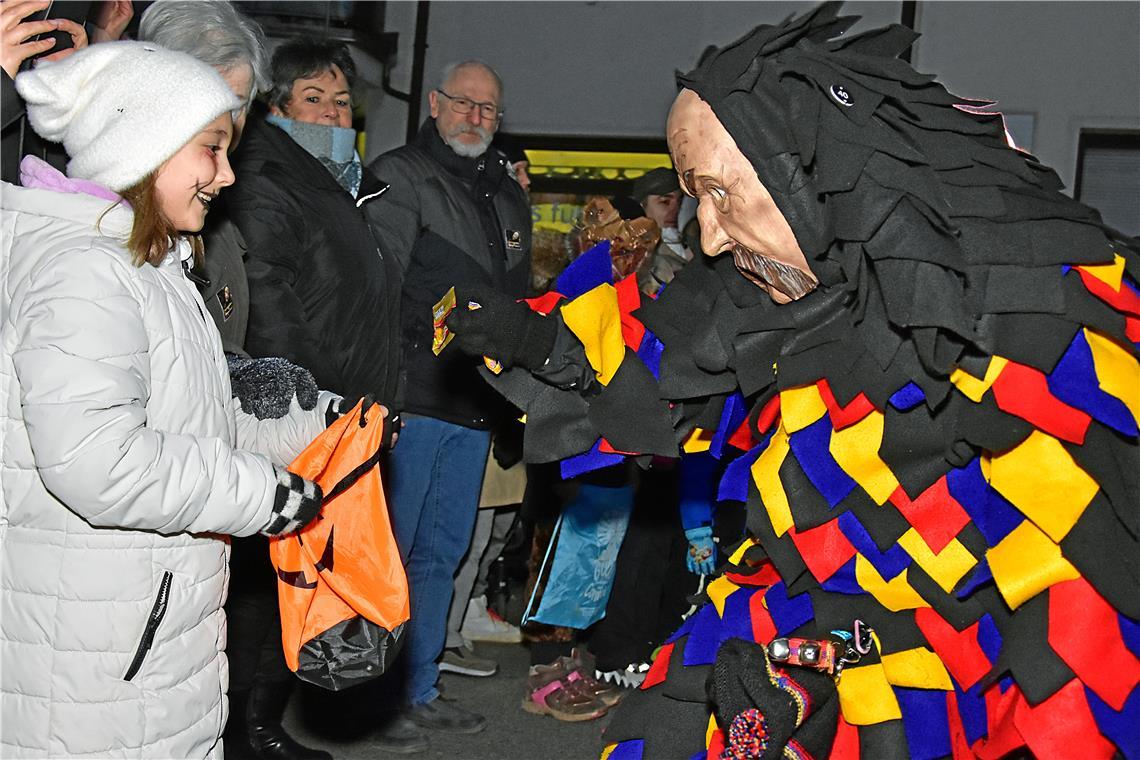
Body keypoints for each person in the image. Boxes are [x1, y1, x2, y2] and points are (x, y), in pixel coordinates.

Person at [443, 5, 1139, 758]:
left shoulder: (1026, 310)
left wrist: (853, 677)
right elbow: (661, 388)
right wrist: (536, 341)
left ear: (803, 172)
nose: (707, 232)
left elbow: (1076, 621)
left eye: (719, 192)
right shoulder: (761, 291)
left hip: (986, 666)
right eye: (692, 195)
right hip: (800, 616)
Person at [1, 41, 333, 758]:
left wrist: (322, 421)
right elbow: (99, 461)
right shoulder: (86, 275)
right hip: (96, 656)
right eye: (210, 149)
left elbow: (192, 418)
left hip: (141, 631)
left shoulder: (148, 268)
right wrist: (263, 496)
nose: (227, 174)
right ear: (142, 149)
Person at [136, 7, 336, 760]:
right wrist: (265, 493)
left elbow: (204, 357)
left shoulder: (195, 221)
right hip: (142, 553)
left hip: (189, 531)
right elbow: (105, 449)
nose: (230, 158)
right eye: (214, 128)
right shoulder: (98, 256)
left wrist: (271, 389)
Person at [361, 59, 532, 749]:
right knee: (393, 553)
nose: (475, 118)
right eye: (464, 104)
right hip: (413, 396)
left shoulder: (507, 196)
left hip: (471, 403)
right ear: (434, 104)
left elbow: (515, 307)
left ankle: (420, 686)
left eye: (489, 110)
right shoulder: (402, 175)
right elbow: (379, 286)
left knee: (443, 553)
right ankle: (371, 699)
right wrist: (382, 392)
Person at [226, 37, 403, 442]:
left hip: (352, 413)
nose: (332, 111)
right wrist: (326, 405)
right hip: (304, 416)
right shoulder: (266, 178)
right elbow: (266, 302)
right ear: (276, 107)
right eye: (313, 96)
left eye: (342, 101)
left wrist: (386, 404)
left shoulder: (346, 187)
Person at [631, 166, 694, 296]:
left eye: (680, 202)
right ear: (642, 206)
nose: (675, 210)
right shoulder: (636, 258)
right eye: (665, 202)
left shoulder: (695, 247)